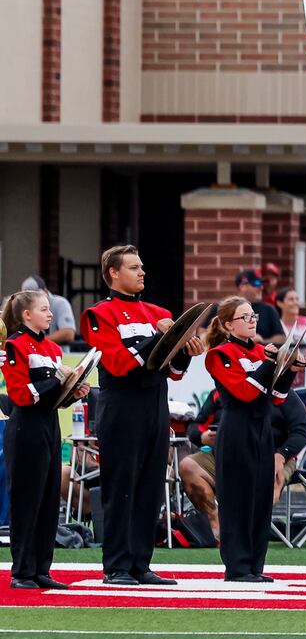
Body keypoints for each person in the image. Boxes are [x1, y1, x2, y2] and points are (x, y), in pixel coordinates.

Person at [83, 245, 202, 586]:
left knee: (151, 487)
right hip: (121, 407)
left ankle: (141, 564)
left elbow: (172, 371)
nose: (142, 272)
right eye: (134, 267)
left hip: (155, 405)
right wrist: (159, 337)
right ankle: (117, 566)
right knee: (121, 486)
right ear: (113, 274)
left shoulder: (158, 311)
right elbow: (119, 364)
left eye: (142, 266)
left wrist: (185, 352)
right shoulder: (98, 314)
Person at [201, 296, 297, 582]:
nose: (253, 320)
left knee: (259, 497)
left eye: (253, 315)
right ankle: (238, 566)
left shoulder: (260, 350)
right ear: (229, 324)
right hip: (236, 428)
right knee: (237, 498)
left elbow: (277, 398)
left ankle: (256, 565)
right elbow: (244, 392)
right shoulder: (219, 354)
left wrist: (288, 369)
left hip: (262, 427)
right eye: (245, 317)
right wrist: (269, 363)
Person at [3, 289, 89, 588]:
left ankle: (42, 569)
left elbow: (54, 398)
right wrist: (57, 379)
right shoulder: (15, 345)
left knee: (49, 498)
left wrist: (72, 390)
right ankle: (22, 572)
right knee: (27, 500)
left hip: (48, 425)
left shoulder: (53, 349)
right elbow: (21, 395)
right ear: (27, 315)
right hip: (25, 427)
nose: (50, 314)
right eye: (43, 309)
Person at [180, 373, 306, 539]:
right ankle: (216, 525)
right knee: (187, 466)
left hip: (273, 457)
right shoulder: (221, 392)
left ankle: (250, 532)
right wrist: (202, 437)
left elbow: (301, 432)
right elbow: (195, 427)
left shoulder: (282, 392)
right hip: (225, 456)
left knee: (273, 478)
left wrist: (281, 455)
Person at [20, 276, 75, 345]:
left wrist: (36, 340)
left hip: (59, 354)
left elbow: (68, 334)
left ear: (46, 291)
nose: (32, 300)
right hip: (33, 352)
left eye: (36, 295)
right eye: (27, 298)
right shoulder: (24, 306)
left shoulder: (60, 303)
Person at [234, 269, 281, 344]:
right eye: (256, 283)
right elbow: (210, 335)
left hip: (261, 354)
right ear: (242, 286)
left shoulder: (268, 310)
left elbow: (281, 338)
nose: (261, 288)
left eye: (261, 283)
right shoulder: (225, 309)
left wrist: (261, 342)